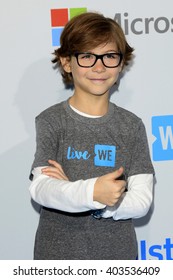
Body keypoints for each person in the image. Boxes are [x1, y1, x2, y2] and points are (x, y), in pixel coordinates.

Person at [29, 11, 154, 260]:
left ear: (121, 63)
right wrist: (93, 191)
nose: (99, 66)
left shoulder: (131, 125)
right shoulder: (51, 120)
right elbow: (41, 188)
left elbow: (141, 200)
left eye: (109, 56)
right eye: (87, 56)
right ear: (67, 62)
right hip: (57, 259)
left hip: (117, 260)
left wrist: (101, 204)